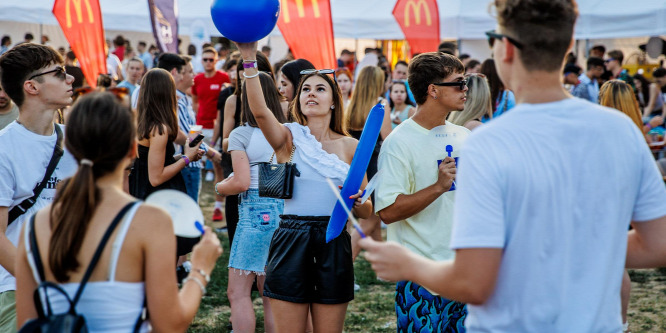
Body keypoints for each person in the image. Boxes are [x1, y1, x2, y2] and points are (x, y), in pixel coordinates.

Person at [361, 1, 666, 333]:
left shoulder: (487, 143)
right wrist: (586, 244)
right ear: (568, 46)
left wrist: (408, 265)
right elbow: (657, 244)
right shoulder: (620, 130)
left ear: (505, 48)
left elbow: (473, 281)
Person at [14, 92, 223, 332]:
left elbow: (28, 324)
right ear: (132, 149)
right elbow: (170, 325)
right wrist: (200, 269)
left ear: (70, 146)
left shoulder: (35, 226)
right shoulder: (149, 221)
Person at [237, 41, 372, 332]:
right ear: (298, 100)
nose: (311, 93)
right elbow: (260, 112)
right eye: (306, 89)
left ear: (334, 100)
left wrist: (361, 204)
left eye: (320, 89)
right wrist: (249, 58)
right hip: (291, 239)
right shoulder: (288, 138)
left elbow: (368, 209)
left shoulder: (351, 146)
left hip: (333, 239)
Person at [375, 52, 470, 332]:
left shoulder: (464, 136)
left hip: (463, 270)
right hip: (420, 276)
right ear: (433, 90)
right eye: (459, 83)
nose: (466, 89)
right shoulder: (398, 143)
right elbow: (389, 211)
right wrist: (438, 187)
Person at [0, 43, 78, 333]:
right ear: (31, 87)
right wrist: (41, 282)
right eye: (59, 73)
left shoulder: (77, 142)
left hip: (74, 289)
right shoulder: (4, 148)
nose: (70, 79)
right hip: (17, 289)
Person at [215, 72, 287, 333]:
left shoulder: (241, 134)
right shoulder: (287, 131)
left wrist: (220, 187)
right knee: (268, 294)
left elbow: (241, 182)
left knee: (237, 292)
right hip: (283, 212)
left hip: (254, 212)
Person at [598, 79, 647, 331]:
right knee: (615, 264)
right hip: (626, 203)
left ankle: (618, 323)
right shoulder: (634, 129)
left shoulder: (600, 129)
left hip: (603, 204)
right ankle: (621, 321)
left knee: (610, 265)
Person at [346, 66, 392, 259]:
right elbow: (388, 139)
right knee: (369, 222)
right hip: (374, 168)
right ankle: (345, 264)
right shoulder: (381, 104)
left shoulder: (350, 105)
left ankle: (383, 266)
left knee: (371, 220)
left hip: (355, 167)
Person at [192, 46, 230, 222]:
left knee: (218, 168)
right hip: (198, 128)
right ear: (201, 61)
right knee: (191, 166)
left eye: (211, 59)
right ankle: (193, 206)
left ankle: (217, 208)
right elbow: (195, 100)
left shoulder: (224, 78)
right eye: (205, 59)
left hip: (216, 130)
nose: (208, 62)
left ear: (216, 60)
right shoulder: (197, 79)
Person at [177, 56, 222, 203]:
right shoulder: (178, 101)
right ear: (179, 74)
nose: (194, 75)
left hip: (191, 162)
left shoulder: (184, 98)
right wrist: (210, 152)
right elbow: (187, 137)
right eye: (190, 71)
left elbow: (192, 132)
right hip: (187, 163)